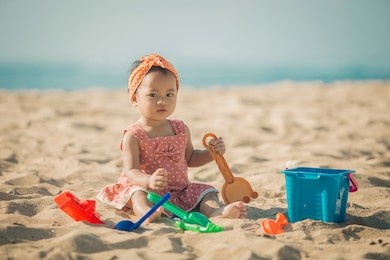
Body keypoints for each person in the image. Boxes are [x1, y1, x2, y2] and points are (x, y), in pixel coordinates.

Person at [97, 53, 246, 223]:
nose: (162, 101)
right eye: (153, 95)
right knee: (137, 194)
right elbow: (131, 172)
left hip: (178, 191)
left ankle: (215, 212)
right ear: (134, 99)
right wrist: (148, 180)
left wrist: (211, 153)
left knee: (208, 192)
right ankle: (147, 213)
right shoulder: (134, 135)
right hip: (147, 189)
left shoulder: (180, 129)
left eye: (169, 94)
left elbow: (190, 158)